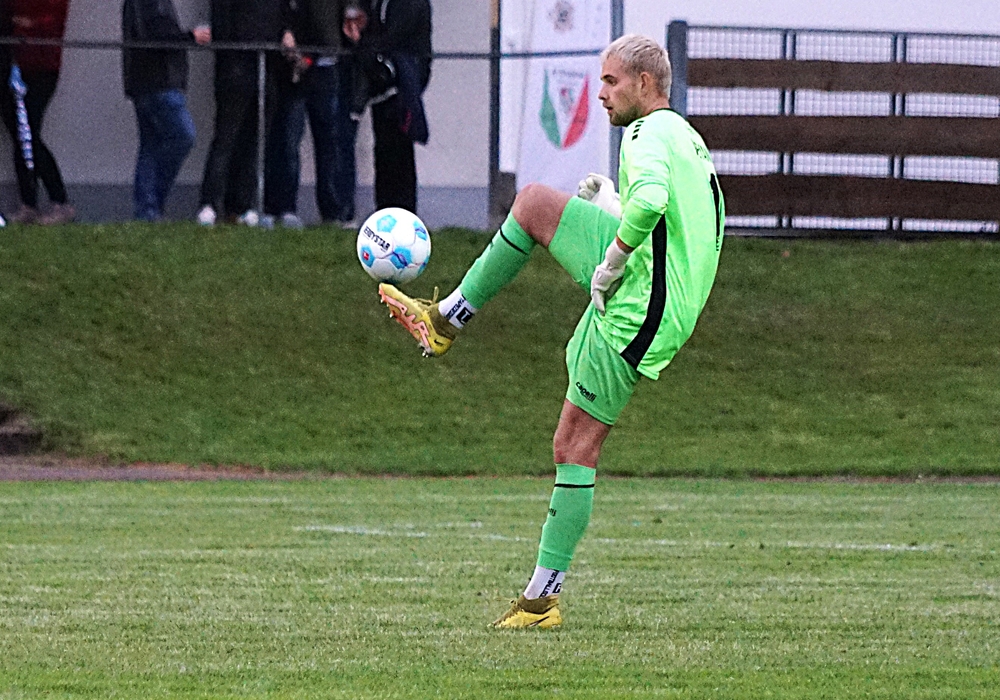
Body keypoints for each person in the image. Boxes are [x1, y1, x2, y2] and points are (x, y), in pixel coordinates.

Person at [378, 34, 725, 629]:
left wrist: (614, 255)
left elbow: (652, 202)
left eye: (611, 81)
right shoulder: (682, 135)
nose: (602, 92)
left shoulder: (645, 134)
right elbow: (684, 221)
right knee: (536, 204)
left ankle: (541, 600)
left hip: (642, 304)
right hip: (657, 289)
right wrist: (613, 211)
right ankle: (445, 319)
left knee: (575, 446)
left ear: (644, 84)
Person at [264, 0, 366, 228]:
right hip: (294, 65)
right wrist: (285, 31)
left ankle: (333, 211)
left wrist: (352, 23)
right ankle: (283, 207)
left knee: (329, 142)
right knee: (288, 139)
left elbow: (350, 12)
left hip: (326, 63)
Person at [196, 0, 283, 226]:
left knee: (252, 143)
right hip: (236, 70)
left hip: (265, 70)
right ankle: (211, 203)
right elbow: (223, 25)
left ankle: (242, 205)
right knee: (226, 139)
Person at [122, 0, 211, 222]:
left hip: (144, 82)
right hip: (159, 82)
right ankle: (151, 203)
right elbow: (158, 36)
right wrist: (190, 37)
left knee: (150, 146)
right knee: (182, 136)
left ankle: (147, 211)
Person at [351, 0, 431, 214]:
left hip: (401, 86)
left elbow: (393, 38)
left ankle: (400, 209)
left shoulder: (406, 4)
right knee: (385, 150)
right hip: (387, 86)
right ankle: (387, 209)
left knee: (398, 150)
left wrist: (363, 44)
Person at [0, 0, 75, 225]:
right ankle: (29, 203)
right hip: (14, 65)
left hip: (40, 66)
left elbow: (46, 22)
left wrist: (18, 24)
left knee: (28, 134)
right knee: (20, 135)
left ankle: (59, 201)